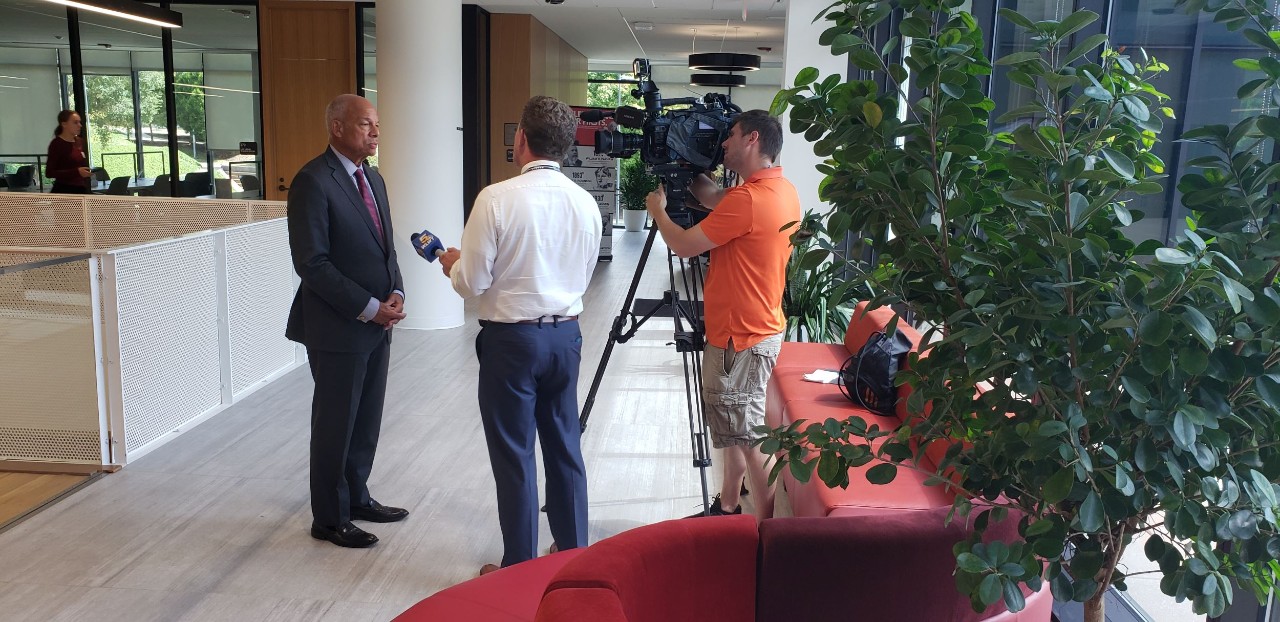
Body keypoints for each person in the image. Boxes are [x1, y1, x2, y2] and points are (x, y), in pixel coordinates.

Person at [439, 95, 602, 574]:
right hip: (566, 336)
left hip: (512, 343)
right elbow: (586, 273)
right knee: (564, 446)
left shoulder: (495, 198)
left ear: (522, 140)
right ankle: (573, 560)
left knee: (515, 454)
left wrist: (451, 265)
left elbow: (472, 283)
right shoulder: (586, 203)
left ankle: (519, 569)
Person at [645, 109, 800, 520]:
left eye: (729, 136)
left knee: (748, 437)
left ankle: (766, 535)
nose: (723, 143)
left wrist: (659, 210)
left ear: (752, 139)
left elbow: (682, 245)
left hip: (740, 338)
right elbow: (715, 198)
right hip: (757, 330)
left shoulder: (749, 200)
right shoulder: (780, 190)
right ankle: (728, 507)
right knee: (736, 428)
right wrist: (685, 167)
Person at [286, 94, 407, 548]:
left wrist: (395, 291)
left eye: (376, 125)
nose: (375, 133)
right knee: (337, 423)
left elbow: (386, 248)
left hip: (378, 322)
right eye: (365, 125)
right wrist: (370, 307)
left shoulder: (373, 179)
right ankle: (329, 517)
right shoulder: (313, 181)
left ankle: (357, 496)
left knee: (366, 418)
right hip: (338, 327)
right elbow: (311, 263)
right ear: (337, 127)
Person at [46, 110, 91, 194]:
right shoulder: (56, 144)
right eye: (75, 123)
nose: (80, 125)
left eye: (80, 122)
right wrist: (76, 172)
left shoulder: (80, 141)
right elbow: (49, 172)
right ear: (64, 124)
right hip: (64, 191)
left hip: (81, 189)